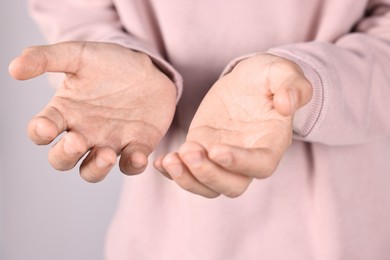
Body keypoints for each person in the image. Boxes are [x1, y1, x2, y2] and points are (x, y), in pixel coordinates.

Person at [8, 0, 390, 259]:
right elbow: (76, 10)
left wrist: (307, 84)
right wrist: (116, 58)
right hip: (165, 236)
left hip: (345, 232)